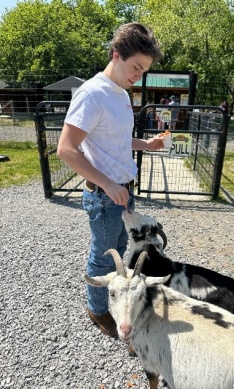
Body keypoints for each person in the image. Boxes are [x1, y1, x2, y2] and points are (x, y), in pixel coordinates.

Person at [57, 22, 164, 338]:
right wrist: (108, 184)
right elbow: (66, 149)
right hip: (106, 195)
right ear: (116, 55)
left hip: (121, 191)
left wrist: (146, 144)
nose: (138, 75)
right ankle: (97, 310)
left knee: (119, 249)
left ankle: (115, 300)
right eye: (136, 67)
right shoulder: (92, 94)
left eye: (143, 70)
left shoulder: (119, 93)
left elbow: (115, 139)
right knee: (103, 257)